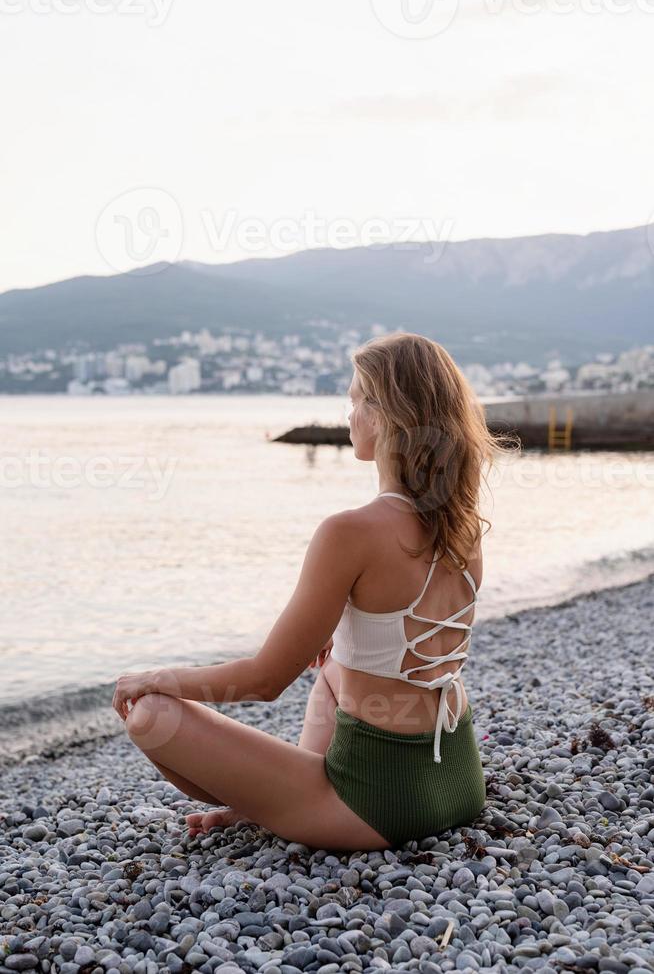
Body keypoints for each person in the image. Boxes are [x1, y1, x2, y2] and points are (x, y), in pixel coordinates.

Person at [113, 332, 514, 850]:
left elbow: (264, 681)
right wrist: (346, 646)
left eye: (354, 400)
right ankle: (279, 798)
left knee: (150, 713)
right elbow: (403, 627)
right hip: (458, 779)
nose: (348, 415)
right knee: (331, 669)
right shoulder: (462, 526)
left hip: (378, 807)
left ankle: (283, 805)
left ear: (384, 413)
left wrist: (157, 678)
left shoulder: (349, 531)